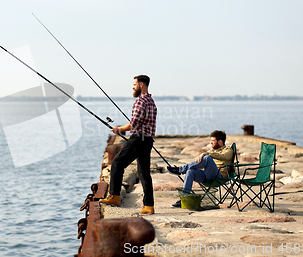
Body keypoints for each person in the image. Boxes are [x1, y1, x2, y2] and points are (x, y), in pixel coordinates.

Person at [100, 75, 157, 214]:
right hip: (148, 140)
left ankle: (114, 196)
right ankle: (149, 206)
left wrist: (118, 129)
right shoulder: (151, 102)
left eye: (134, 84)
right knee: (144, 173)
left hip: (138, 139)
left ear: (141, 85)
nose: (133, 87)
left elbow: (133, 124)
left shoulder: (140, 102)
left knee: (117, 163)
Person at [167, 130, 234, 208]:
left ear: (220, 141)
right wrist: (200, 159)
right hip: (207, 175)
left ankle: (180, 169)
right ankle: (184, 198)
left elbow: (224, 156)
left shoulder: (228, 150)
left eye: (213, 141)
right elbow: (201, 164)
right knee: (190, 171)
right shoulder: (212, 151)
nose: (211, 143)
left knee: (207, 158)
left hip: (218, 177)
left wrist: (207, 154)